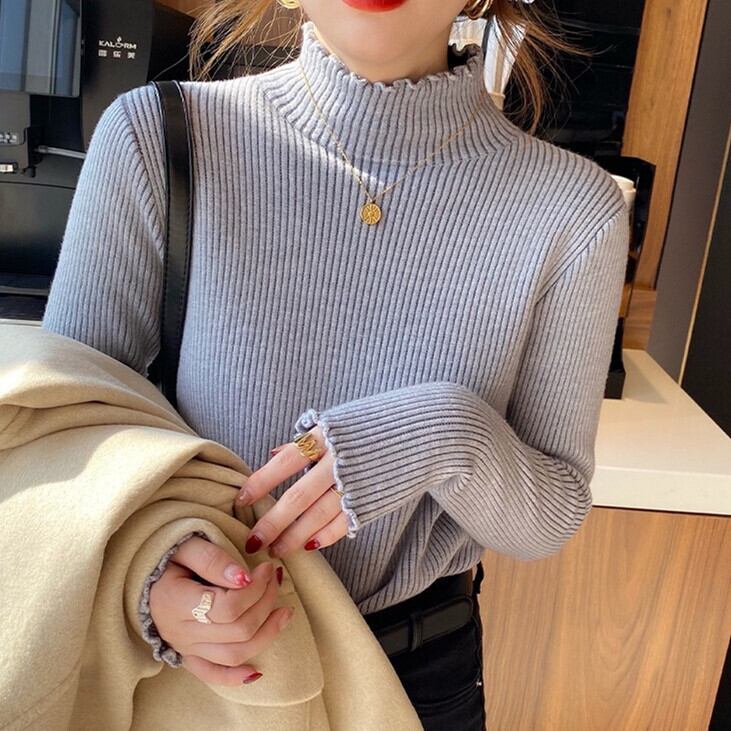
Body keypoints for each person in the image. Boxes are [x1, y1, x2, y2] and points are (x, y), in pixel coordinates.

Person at [41, 1, 630, 729]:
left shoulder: (574, 209)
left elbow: (547, 519)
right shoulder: (159, 138)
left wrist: (446, 433)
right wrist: (152, 579)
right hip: (195, 674)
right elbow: (64, 441)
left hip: (417, 678)